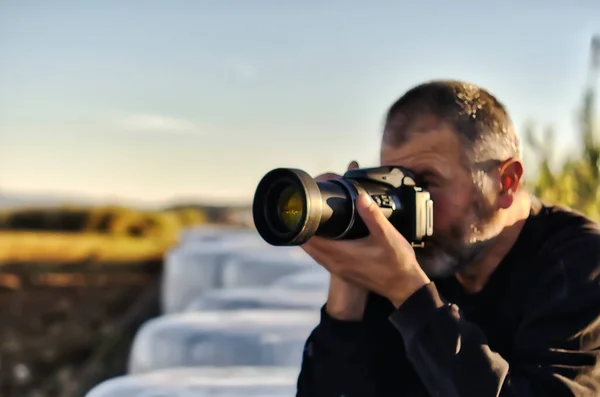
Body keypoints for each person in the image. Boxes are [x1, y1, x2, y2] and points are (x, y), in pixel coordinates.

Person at [296, 80, 600, 397]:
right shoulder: (411, 256)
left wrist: (410, 294)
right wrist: (347, 295)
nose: (410, 206)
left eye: (425, 183)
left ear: (506, 183)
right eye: (396, 184)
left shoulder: (579, 263)